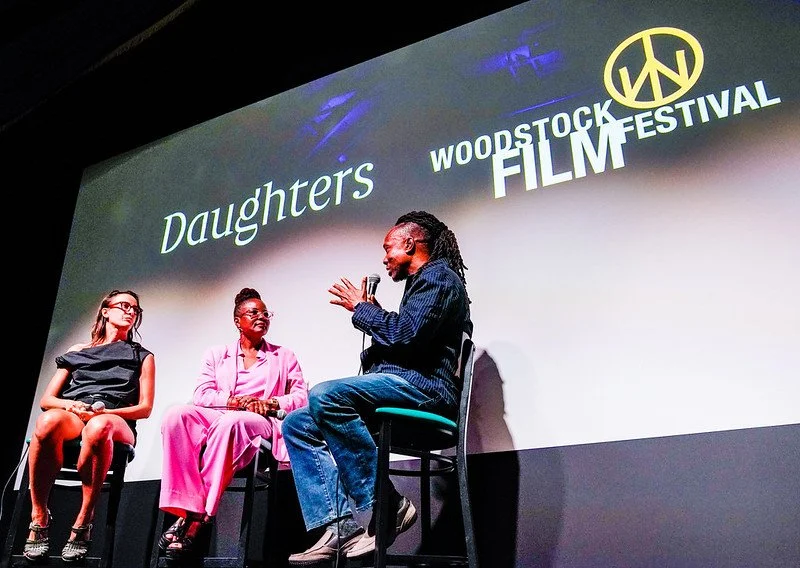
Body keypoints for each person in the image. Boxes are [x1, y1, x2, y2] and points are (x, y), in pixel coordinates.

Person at [283, 210, 473, 565]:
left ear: (409, 243)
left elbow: (406, 335)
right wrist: (374, 312)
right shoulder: (422, 284)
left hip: (426, 392)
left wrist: (362, 309)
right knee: (298, 424)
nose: (384, 258)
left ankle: (386, 506)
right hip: (407, 386)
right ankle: (341, 526)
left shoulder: (438, 278)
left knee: (326, 394)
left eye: (388, 248)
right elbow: (409, 336)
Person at [157, 287, 308, 560]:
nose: (262, 317)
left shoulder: (284, 356)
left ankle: (197, 518)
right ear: (238, 321)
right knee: (175, 416)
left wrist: (270, 403)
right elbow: (202, 395)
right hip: (227, 412)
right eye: (254, 313)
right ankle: (186, 507)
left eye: (266, 313)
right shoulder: (217, 354)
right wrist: (237, 401)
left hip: (261, 422)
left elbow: (301, 398)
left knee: (231, 423)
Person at [23, 289, 155, 563]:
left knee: (99, 427)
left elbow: (144, 408)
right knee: (47, 421)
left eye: (135, 309)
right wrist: (72, 406)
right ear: (105, 311)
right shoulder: (78, 351)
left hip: (115, 418)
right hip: (77, 411)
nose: (130, 311)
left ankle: (84, 519)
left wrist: (106, 411)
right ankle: (39, 515)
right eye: (124, 305)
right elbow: (48, 400)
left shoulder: (141, 356)